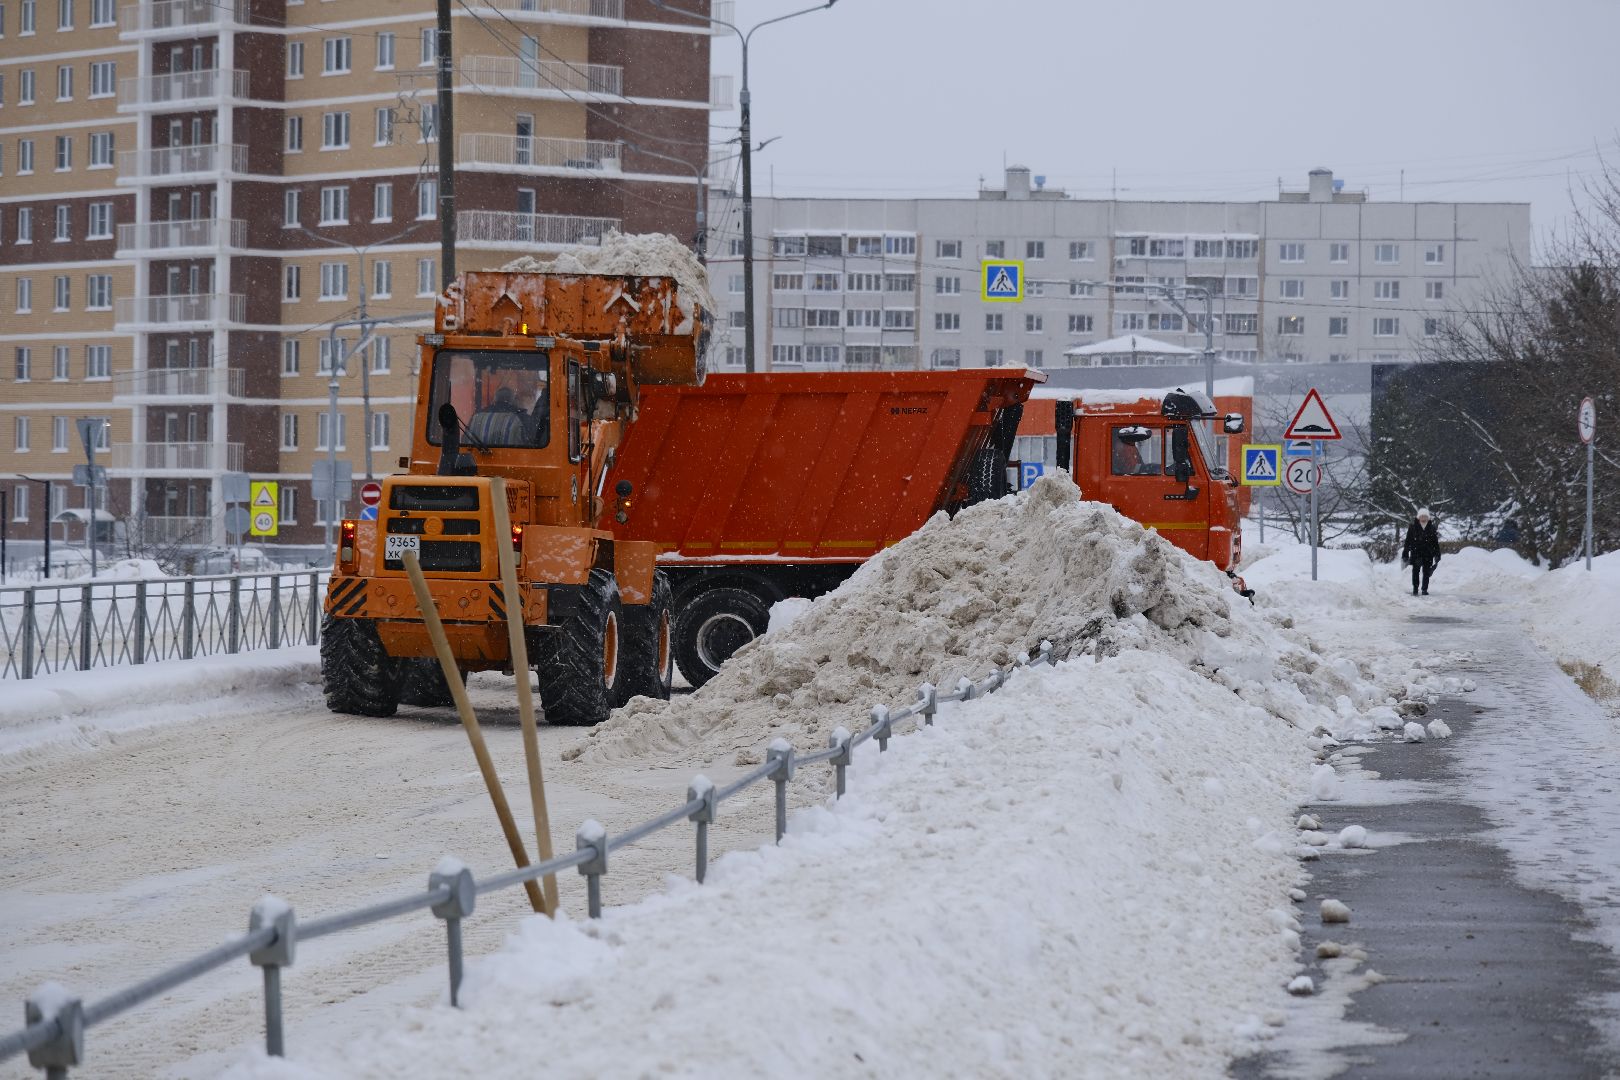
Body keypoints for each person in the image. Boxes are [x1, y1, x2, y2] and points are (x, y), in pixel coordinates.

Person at [1401, 508, 1441, 596]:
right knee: (1415, 571)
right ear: (1418, 517)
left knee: (1426, 572)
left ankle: (1424, 589)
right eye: (1422, 516)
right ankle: (1415, 588)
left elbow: (1435, 542)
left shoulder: (1432, 527)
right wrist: (1405, 552)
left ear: (1428, 518)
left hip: (1428, 553)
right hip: (1416, 553)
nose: (1423, 518)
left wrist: (1437, 554)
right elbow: (1408, 541)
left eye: (1425, 516)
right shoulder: (1413, 527)